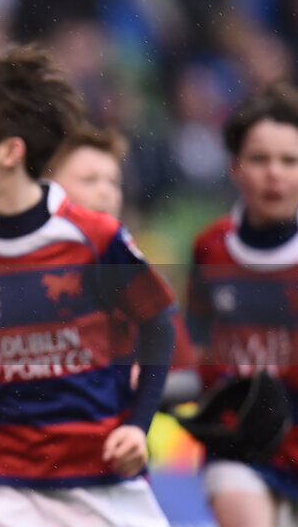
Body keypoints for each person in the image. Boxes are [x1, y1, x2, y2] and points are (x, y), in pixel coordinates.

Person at [0, 45, 179, 527]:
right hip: (8, 489)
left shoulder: (95, 238)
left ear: (9, 152)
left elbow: (159, 322)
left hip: (104, 481)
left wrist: (138, 423)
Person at [186, 83, 298, 527]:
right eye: (259, 159)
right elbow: (197, 341)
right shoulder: (211, 247)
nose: (273, 173)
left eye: (289, 160)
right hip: (242, 441)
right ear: (235, 167)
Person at [44, 125, 200, 408]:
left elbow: (188, 377)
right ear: (48, 187)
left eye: (114, 182)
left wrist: (142, 382)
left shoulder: (137, 276)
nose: (106, 192)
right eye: (89, 180)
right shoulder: (21, 272)